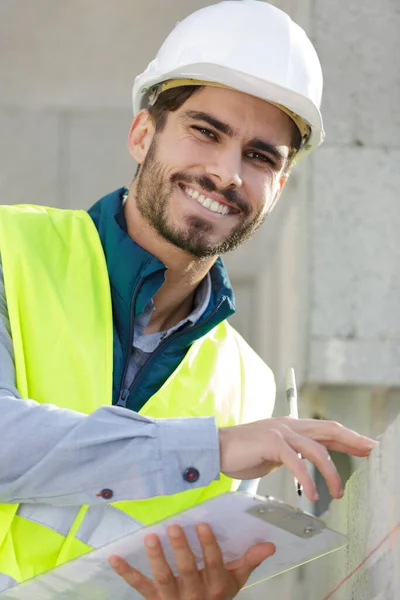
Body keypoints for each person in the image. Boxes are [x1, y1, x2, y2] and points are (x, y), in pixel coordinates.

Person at [0, 1, 376, 598]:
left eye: (259, 157)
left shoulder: (248, 386)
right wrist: (213, 447)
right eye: (206, 131)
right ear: (143, 134)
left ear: (277, 189)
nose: (226, 173)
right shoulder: (8, 246)